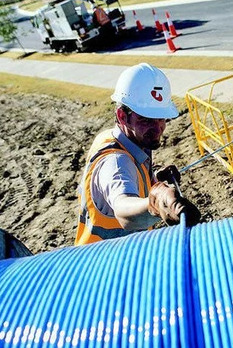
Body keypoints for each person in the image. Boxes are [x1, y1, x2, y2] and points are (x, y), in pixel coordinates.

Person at [75, 63, 201, 245]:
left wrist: (153, 178)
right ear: (122, 115)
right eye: (146, 119)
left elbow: (123, 182)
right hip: (109, 265)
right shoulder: (116, 162)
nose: (158, 128)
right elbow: (123, 211)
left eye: (161, 117)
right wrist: (157, 203)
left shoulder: (122, 139)